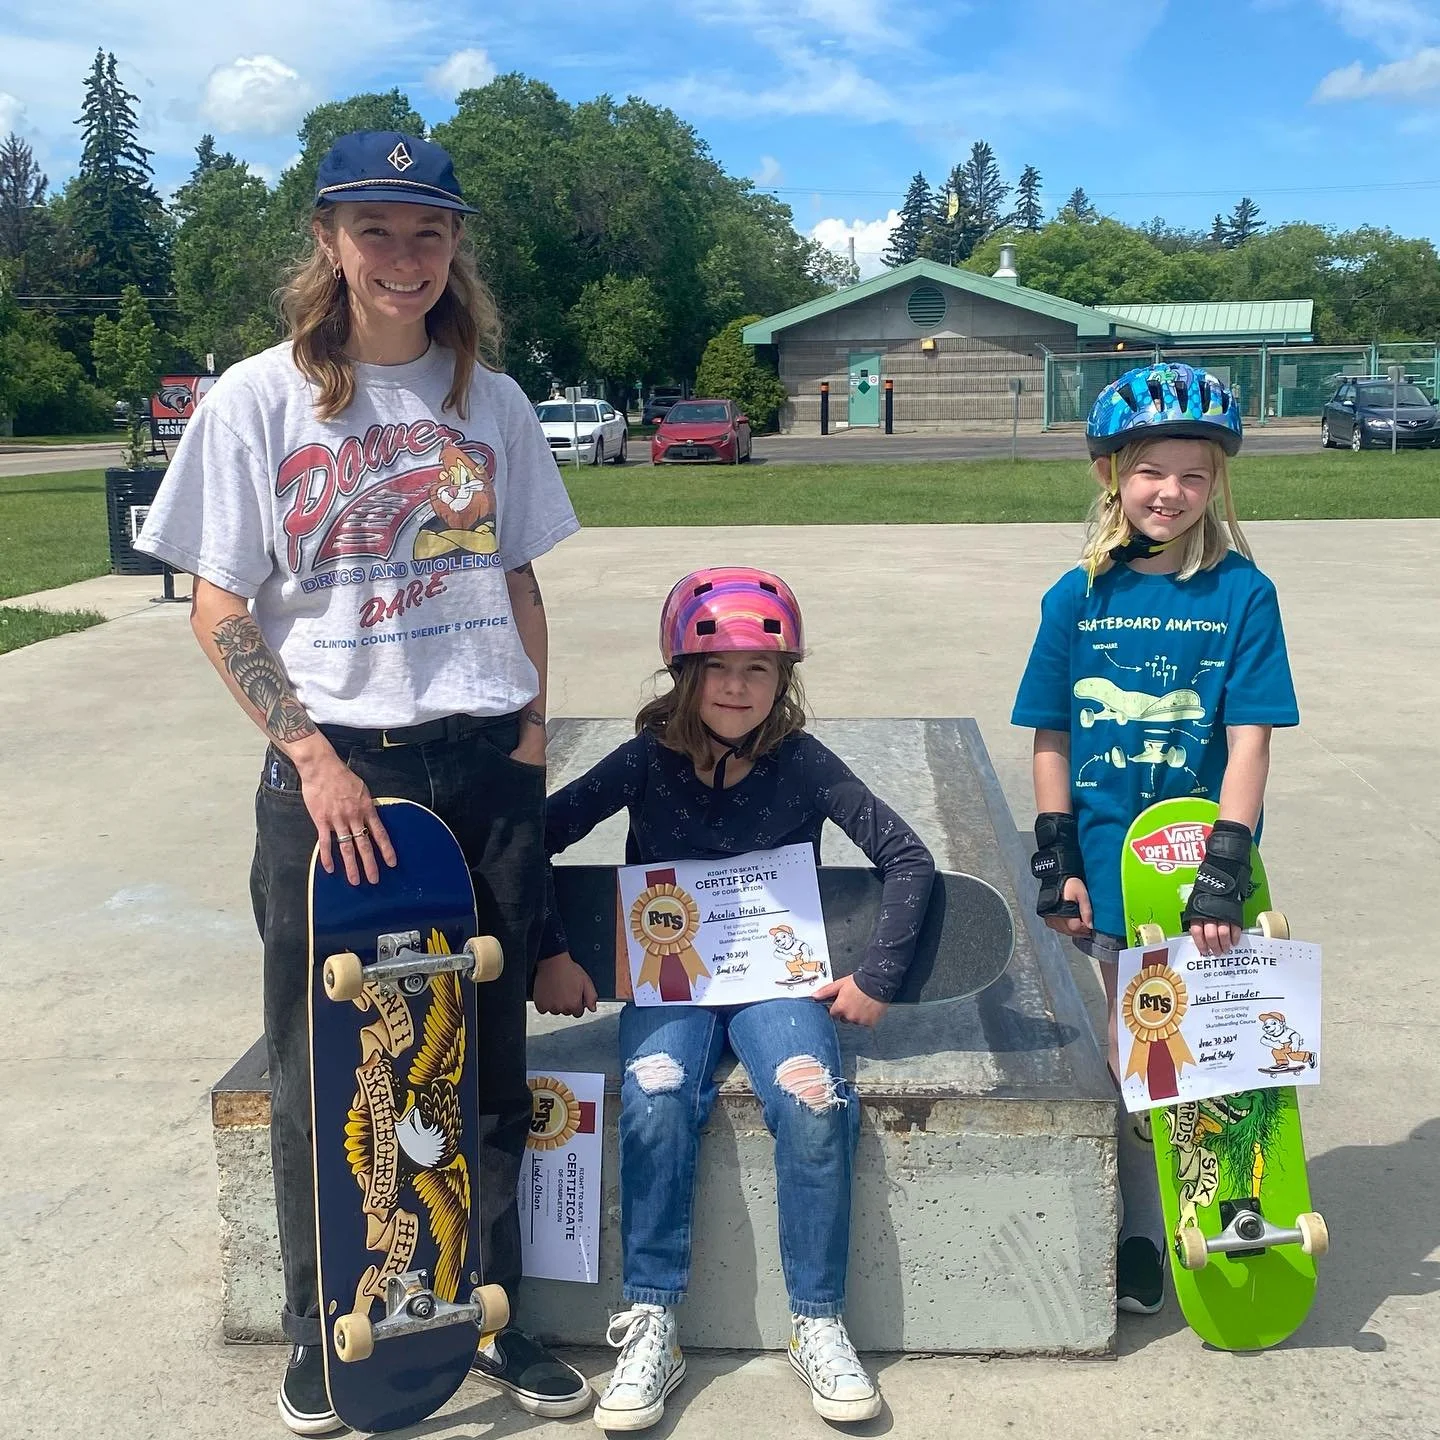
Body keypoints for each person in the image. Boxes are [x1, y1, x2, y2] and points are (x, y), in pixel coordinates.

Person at [136, 130, 590, 1434]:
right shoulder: (260, 399)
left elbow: (516, 577)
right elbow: (219, 606)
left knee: (486, 1057)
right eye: (377, 230)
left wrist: (532, 739)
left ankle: (487, 1312)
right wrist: (311, 756)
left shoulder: (487, 400)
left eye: (430, 231)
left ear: (457, 251)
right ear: (328, 243)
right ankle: (317, 1327)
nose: (406, 256)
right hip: (340, 770)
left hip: (484, 752)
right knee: (332, 1061)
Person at [532, 567, 935, 1431]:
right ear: (683, 674)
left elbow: (909, 858)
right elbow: (533, 840)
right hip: (670, 981)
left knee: (812, 1098)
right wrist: (552, 951)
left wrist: (876, 979)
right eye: (718, 670)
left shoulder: (801, 764)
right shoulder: (647, 758)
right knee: (655, 1093)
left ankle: (818, 1324)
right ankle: (653, 1322)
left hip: (772, 986)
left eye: (760, 670)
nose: (737, 687)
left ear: (784, 680)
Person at [1011, 362, 1299, 1315]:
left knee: (1213, 1046)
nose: (1170, 492)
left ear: (1217, 483)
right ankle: (1140, 1223)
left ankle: (1226, 1200)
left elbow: (1250, 737)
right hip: (1110, 864)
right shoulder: (1074, 597)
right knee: (1138, 1049)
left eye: (1193, 474)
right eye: (1150, 472)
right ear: (1112, 476)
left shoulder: (1243, 595)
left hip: (1205, 863)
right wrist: (1056, 861)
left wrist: (1227, 865)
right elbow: (1052, 733)